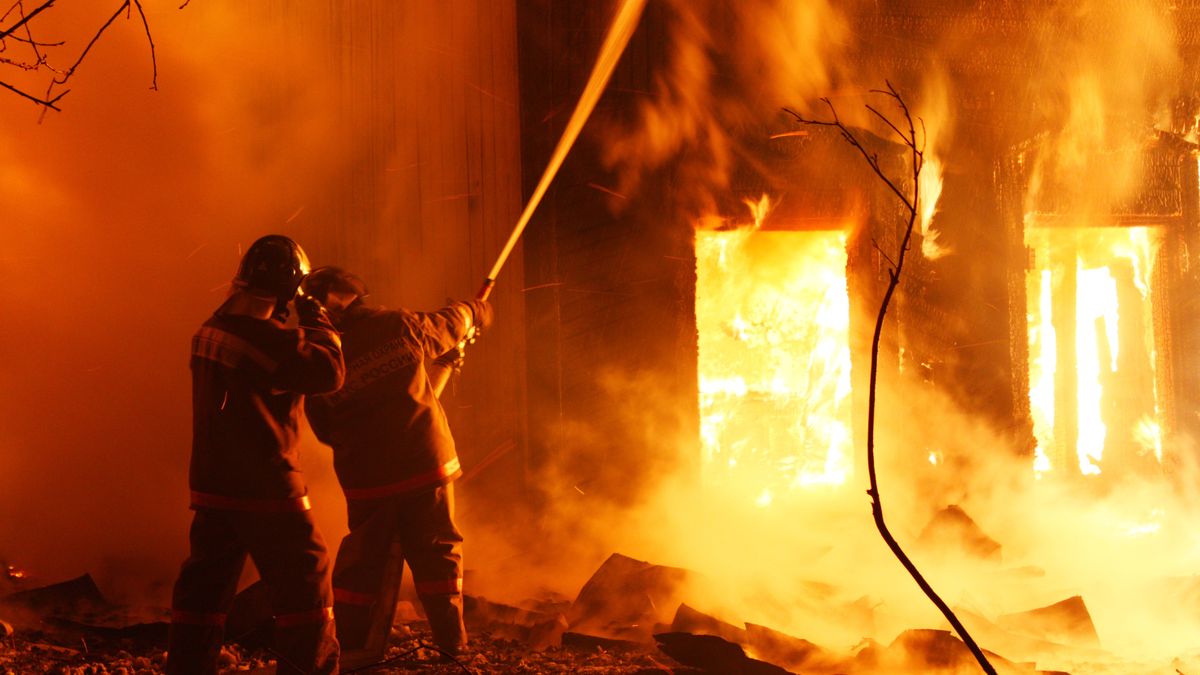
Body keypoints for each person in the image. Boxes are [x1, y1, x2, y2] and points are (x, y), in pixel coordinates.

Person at [167, 235, 345, 675]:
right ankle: (309, 668)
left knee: (205, 589)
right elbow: (329, 372)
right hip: (267, 488)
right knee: (308, 582)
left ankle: (190, 666)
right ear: (288, 292)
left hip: (214, 486)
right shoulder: (266, 341)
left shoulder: (210, 329)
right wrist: (317, 316)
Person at [301, 266, 492, 666]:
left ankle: (352, 643)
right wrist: (475, 311)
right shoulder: (396, 326)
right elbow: (448, 323)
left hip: (367, 480)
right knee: (437, 554)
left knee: (362, 565)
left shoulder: (318, 355)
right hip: (424, 466)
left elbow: (324, 428)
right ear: (357, 296)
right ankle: (451, 645)